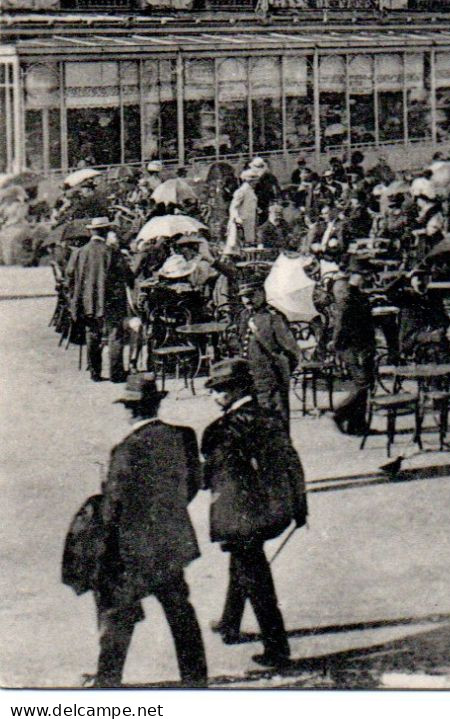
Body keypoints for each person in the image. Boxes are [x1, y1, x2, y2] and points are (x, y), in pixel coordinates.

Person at [91, 374, 207, 687]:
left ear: (130, 410)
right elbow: (193, 483)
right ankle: (196, 680)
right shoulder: (183, 436)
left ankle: (108, 681)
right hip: (173, 539)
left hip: (135, 547)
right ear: (155, 404)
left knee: (118, 614)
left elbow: (114, 505)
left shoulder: (126, 449)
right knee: (180, 610)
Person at [201, 358, 306, 670]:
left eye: (219, 390)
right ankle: (230, 623)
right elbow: (292, 463)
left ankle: (277, 648)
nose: (214, 396)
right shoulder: (270, 417)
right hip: (274, 507)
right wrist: (300, 505)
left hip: (242, 514)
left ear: (235, 391)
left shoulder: (222, 429)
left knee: (256, 577)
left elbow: (213, 475)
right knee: (243, 563)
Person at [66, 218, 134, 382]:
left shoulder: (80, 252)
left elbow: (69, 273)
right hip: (111, 300)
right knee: (114, 334)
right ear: (106, 231)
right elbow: (126, 275)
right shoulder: (111, 251)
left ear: (91, 232)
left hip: (87, 300)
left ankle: (95, 373)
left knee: (92, 334)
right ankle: (116, 373)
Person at [242, 286, 301, 428]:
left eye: (252, 295)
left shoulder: (273, 317)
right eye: (244, 297)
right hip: (252, 372)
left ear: (262, 294)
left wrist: (283, 369)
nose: (247, 300)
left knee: (276, 416)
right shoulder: (244, 315)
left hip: (272, 373)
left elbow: (291, 348)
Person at [328, 265, 377, 434]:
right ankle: (340, 412)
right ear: (354, 276)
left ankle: (358, 425)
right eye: (364, 275)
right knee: (363, 384)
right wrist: (336, 343)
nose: (368, 278)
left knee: (365, 384)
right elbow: (341, 321)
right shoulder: (347, 294)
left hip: (363, 345)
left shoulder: (357, 294)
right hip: (353, 346)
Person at [226, 170, 258, 253]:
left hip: (250, 221)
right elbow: (233, 207)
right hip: (242, 222)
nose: (256, 182)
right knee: (239, 245)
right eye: (255, 180)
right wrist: (237, 218)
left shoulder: (250, 191)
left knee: (249, 243)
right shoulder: (242, 191)